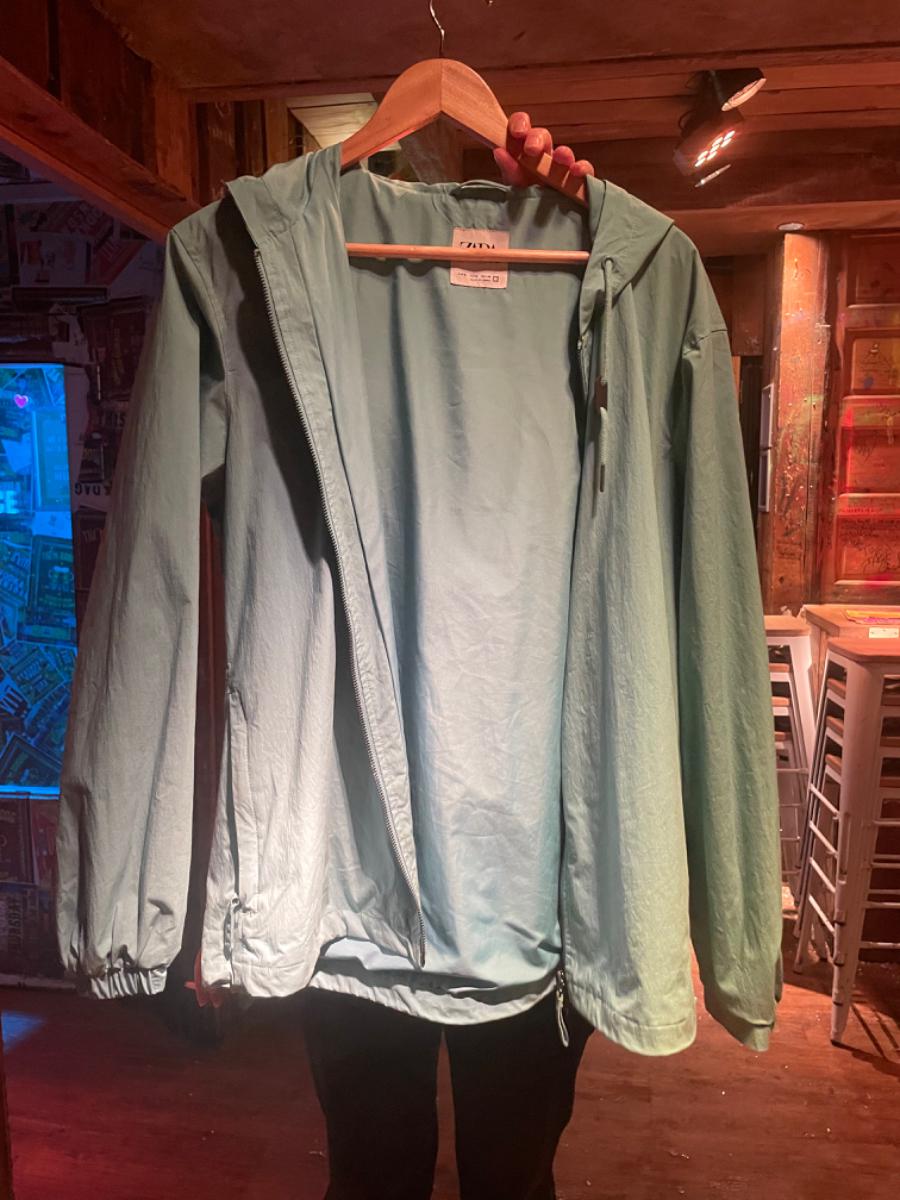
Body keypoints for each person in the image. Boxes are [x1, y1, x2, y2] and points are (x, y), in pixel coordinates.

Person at [297, 114, 598, 1200]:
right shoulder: (283, 268)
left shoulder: (610, 285)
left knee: (493, 1170)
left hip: (522, 879)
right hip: (358, 868)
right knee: (394, 1168)